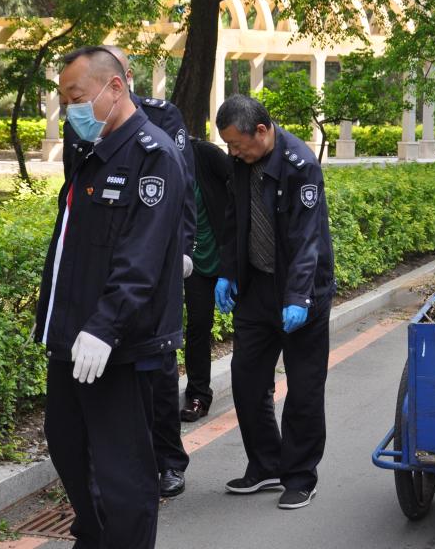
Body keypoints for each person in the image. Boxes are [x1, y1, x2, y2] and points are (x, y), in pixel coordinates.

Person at [34, 46, 187, 548]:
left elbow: (141, 259)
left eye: (77, 97)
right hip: (72, 339)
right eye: (64, 100)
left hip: (117, 346)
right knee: (67, 445)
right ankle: (95, 535)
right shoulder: (90, 151)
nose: (70, 110)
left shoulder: (153, 155)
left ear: (115, 87)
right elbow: (74, 247)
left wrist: (104, 326)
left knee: (124, 473)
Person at [214, 95, 335, 510]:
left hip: (301, 292)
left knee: (303, 388)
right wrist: (229, 271)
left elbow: (307, 239)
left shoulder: (300, 165)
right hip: (257, 289)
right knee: (247, 379)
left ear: (262, 131)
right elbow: (234, 219)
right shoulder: (240, 162)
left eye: (236, 144)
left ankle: (300, 475)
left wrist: (298, 297)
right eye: (228, 145)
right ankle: (265, 463)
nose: (233, 152)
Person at [180, 137, 233, 422]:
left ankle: (257, 388)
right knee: (198, 326)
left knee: (248, 324)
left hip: (229, 256)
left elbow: (242, 190)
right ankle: (198, 395)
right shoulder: (159, 159)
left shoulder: (206, 155)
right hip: (194, 262)